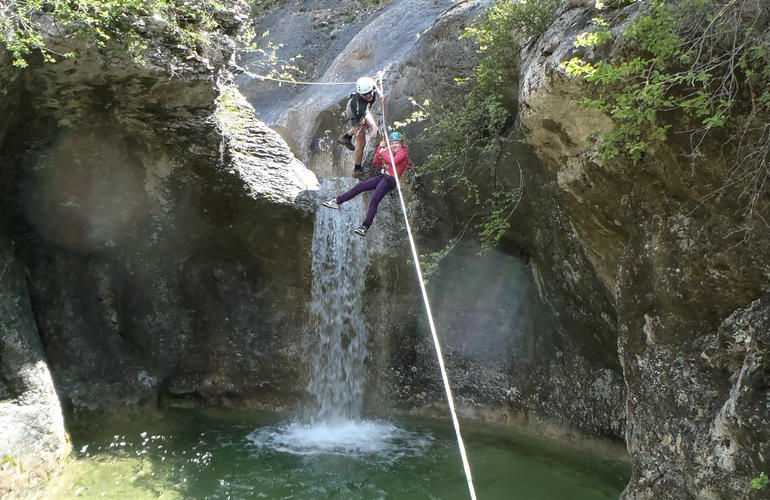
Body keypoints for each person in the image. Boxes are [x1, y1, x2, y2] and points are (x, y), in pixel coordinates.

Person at [323, 131, 409, 236]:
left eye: (396, 143)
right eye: (392, 143)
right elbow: (376, 161)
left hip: (390, 180)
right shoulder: (390, 152)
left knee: (374, 201)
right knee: (360, 187)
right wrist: (379, 149)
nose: (394, 145)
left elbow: (394, 161)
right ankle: (337, 201)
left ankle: (365, 227)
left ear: (401, 144)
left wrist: (383, 152)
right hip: (383, 177)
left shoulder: (403, 152)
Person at [338, 76, 381, 176]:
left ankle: (346, 137)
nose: (368, 96)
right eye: (365, 95)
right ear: (361, 94)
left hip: (356, 107)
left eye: (369, 93)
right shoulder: (360, 105)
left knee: (363, 126)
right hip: (354, 113)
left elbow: (374, 84)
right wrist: (374, 126)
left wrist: (380, 94)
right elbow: (366, 115)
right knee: (361, 141)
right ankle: (357, 170)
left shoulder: (369, 87)